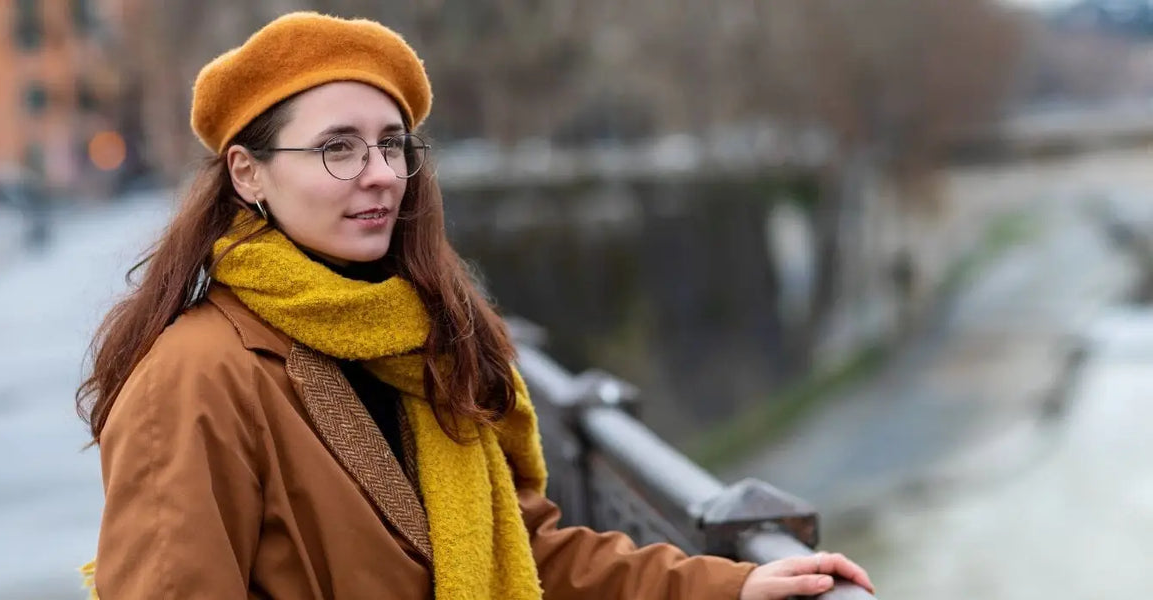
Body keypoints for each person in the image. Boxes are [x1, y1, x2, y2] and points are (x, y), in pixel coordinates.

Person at [78, 12, 875, 600]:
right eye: (338, 148)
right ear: (248, 173)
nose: (381, 172)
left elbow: (520, 556)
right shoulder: (195, 377)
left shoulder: (427, 341)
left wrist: (730, 586)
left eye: (392, 144)